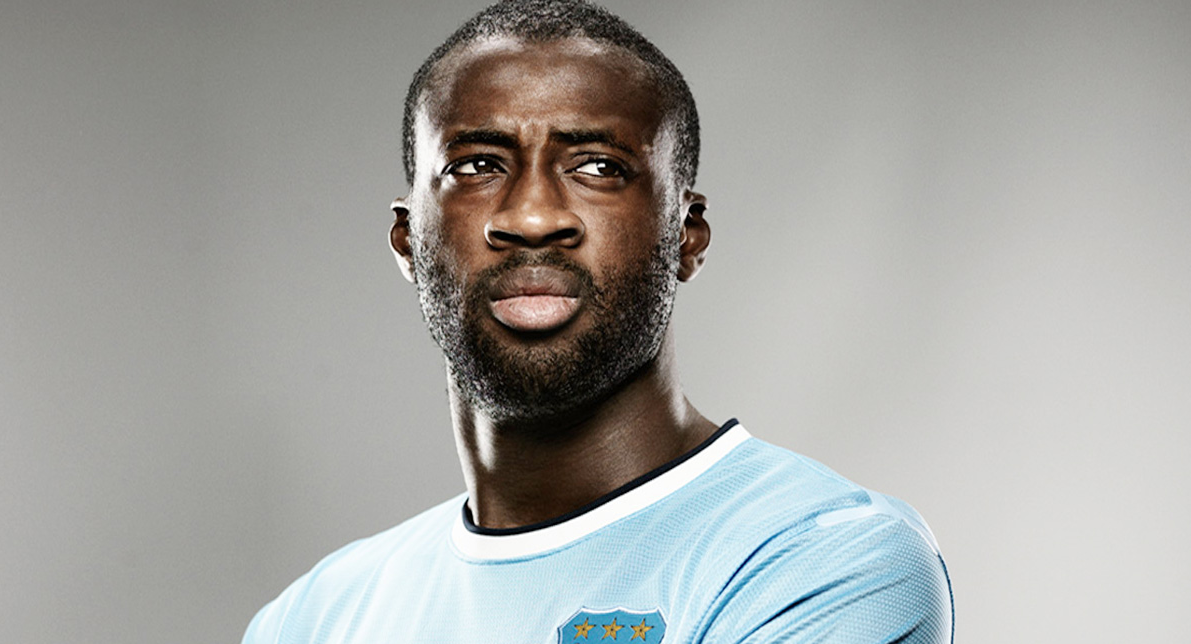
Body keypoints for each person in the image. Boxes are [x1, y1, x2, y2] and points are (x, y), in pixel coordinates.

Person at [243, 0, 954, 642]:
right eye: (478, 165)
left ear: (686, 237)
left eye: (597, 167)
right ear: (408, 241)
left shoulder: (826, 562)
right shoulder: (312, 617)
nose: (532, 218)